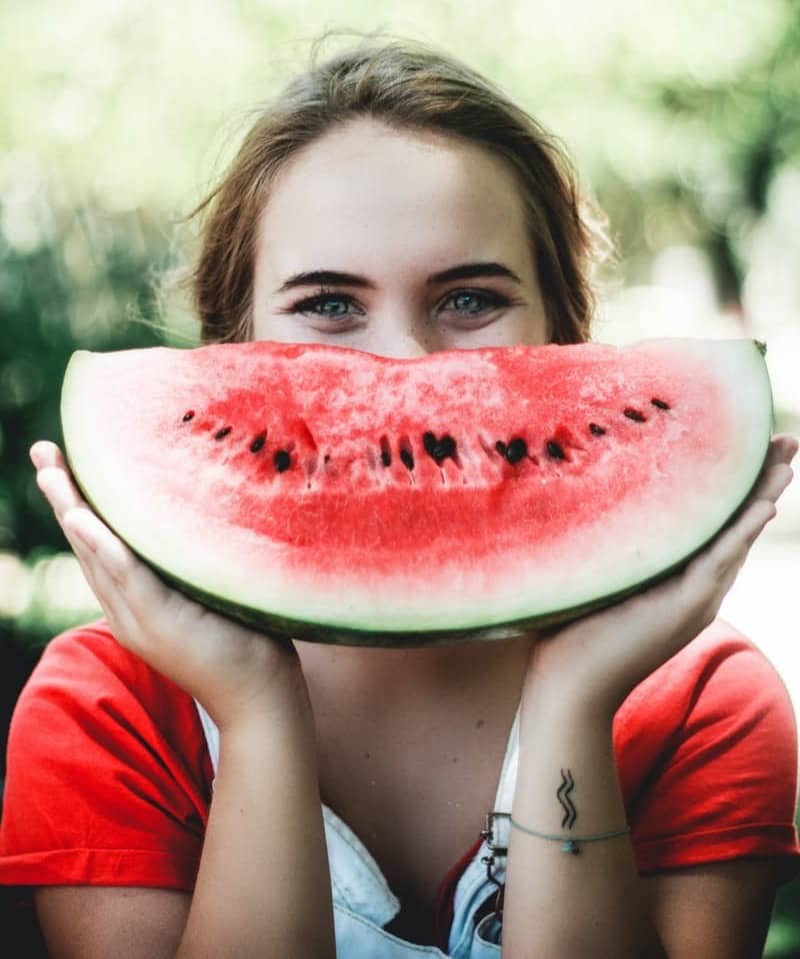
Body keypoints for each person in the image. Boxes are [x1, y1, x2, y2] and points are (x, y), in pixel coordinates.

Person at [1, 33, 798, 959]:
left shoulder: (701, 701)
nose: (403, 369)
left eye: (468, 299)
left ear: (567, 335)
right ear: (230, 348)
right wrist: (256, 711)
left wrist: (574, 699)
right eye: (329, 304)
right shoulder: (112, 707)